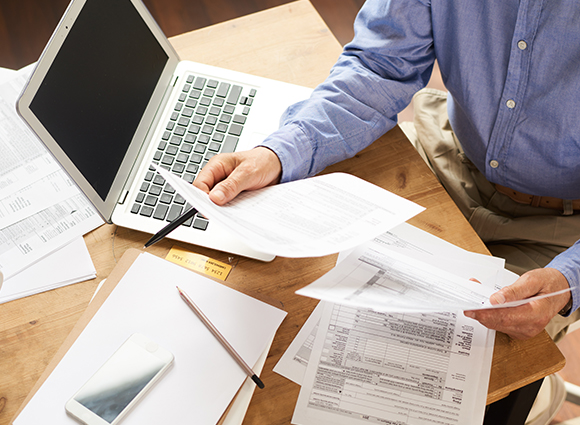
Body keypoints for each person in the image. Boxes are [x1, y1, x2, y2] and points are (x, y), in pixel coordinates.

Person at [193, 0, 580, 344]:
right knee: (297, 289)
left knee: (476, 357)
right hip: (450, 155)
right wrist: (280, 153)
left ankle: (540, 402)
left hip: (561, 231)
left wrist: (569, 279)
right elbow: (379, 66)